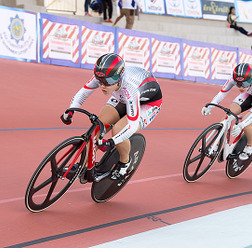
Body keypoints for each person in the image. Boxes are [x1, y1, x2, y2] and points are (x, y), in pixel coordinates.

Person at [61, 53, 162, 179]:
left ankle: (125, 163)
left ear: (119, 78)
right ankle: (82, 166)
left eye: (107, 82)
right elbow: (83, 92)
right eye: (100, 81)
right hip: (122, 97)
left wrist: (111, 142)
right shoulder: (104, 75)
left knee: (118, 130)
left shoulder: (130, 87)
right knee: (97, 127)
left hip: (147, 103)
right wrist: (70, 110)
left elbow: (132, 125)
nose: (102, 85)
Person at [202, 63, 252, 161]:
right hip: (248, 95)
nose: (240, 87)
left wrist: (242, 125)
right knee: (228, 114)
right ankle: (217, 144)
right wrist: (210, 106)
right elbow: (222, 93)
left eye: (244, 84)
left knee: (246, 123)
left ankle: (250, 146)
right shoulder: (233, 79)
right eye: (238, 84)